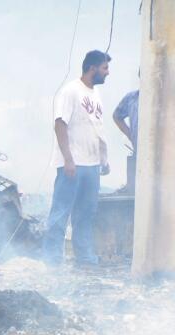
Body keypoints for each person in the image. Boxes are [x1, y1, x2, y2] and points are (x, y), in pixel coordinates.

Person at [42, 50, 111, 266]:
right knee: (60, 214)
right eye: (105, 68)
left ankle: (85, 259)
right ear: (92, 68)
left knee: (85, 215)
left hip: (92, 165)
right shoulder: (70, 91)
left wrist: (103, 159)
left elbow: (96, 128)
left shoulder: (95, 94)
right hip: (72, 165)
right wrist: (68, 160)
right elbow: (59, 124)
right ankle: (52, 261)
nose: (107, 73)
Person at [113, 86, 175, 191]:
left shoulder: (165, 96)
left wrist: (168, 133)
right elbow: (117, 116)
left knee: (160, 189)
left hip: (162, 156)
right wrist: (130, 135)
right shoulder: (131, 97)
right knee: (139, 190)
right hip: (139, 154)